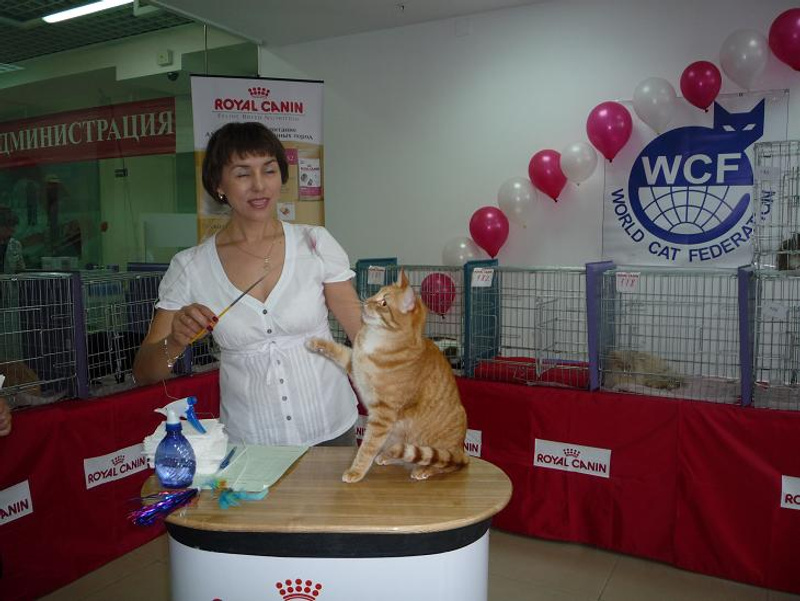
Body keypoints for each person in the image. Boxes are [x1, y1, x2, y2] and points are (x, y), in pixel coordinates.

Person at [133, 122, 362, 447]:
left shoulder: (314, 243)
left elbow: (362, 334)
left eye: (269, 170)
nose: (259, 185)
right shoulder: (191, 266)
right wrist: (176, 340)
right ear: (218, 184)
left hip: (331, 429)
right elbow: (146, 373)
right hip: (252, 444)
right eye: (242, 173)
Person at [0, 206, 25, 274]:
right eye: (8, 229)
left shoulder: (15, 246)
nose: (11, 233)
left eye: (12, 230)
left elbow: (21, 271)